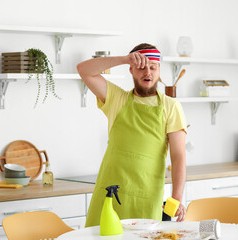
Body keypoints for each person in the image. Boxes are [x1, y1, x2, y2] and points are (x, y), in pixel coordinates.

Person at [77, 43, 187, 227]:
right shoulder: (116, 99)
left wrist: (176, 198)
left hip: (147, 197)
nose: (148, 73)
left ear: (159, 70)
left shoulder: (171, 106)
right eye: (141, 67)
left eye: (153, 67)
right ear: (131, 70)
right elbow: (84, 70)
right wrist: (124, 58)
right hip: (110, 195)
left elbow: (178, 156)